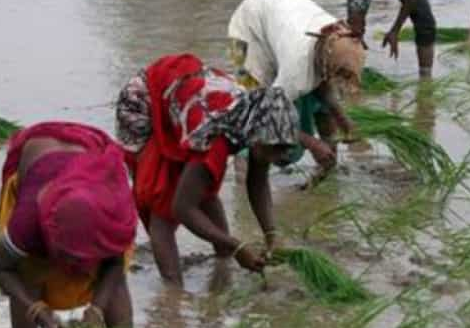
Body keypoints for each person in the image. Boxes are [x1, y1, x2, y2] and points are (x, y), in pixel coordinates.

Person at [115, 53, 334, 285]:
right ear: (257, 136)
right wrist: (237, 246)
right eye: (275, 148)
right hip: (145, 103)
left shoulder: (255, 121)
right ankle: (173, 295)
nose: (278, 156)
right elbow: (183, 208)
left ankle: (222, 264)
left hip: (185, 99)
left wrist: (271, 234)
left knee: (201, 187)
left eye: (283, 149)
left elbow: (257, 182)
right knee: (163, 205)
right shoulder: (215, 141)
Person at [0, 122, 137, 328]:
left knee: (115, 286)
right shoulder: (27, 222)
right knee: (28, 274)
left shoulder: (112, 217)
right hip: (40, 154)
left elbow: (114, 263)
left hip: (89, 146)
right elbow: (2, 269)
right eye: (67, 256)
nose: (73, 267)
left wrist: (96, 309)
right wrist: (36, 308)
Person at [228, 0, 365, 189]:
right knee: (252, 110)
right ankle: (244, 188)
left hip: (281, 8)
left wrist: (343, 119)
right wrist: (311, 142)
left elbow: (323, 83)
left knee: (321, 104)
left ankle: (325, 177)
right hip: (246, 30)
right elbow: (268, 114)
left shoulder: (336, 37)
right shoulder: (296, 69)